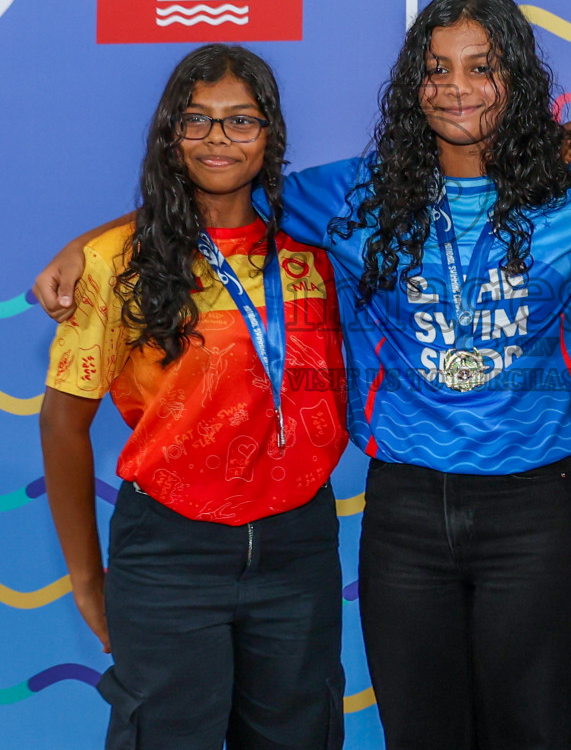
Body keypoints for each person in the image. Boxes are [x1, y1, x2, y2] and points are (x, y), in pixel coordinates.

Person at [35, 0, 571, 750]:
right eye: (436, 69)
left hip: (533, 515)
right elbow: (222, 188)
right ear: (411, 85)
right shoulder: (354, 196)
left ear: (516, 82)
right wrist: (88, 244)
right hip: (403, 518)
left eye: (480, 67)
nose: (456, 86)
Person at [38, 44, 348, 750]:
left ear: (271, 133)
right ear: (169, 134)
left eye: (241, 120)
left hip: (296, 547)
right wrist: (88, 580)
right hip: (168, 553)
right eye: (197, 121)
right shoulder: (118, 262)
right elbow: (62, 426)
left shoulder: (318, 249)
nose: (218, 139)